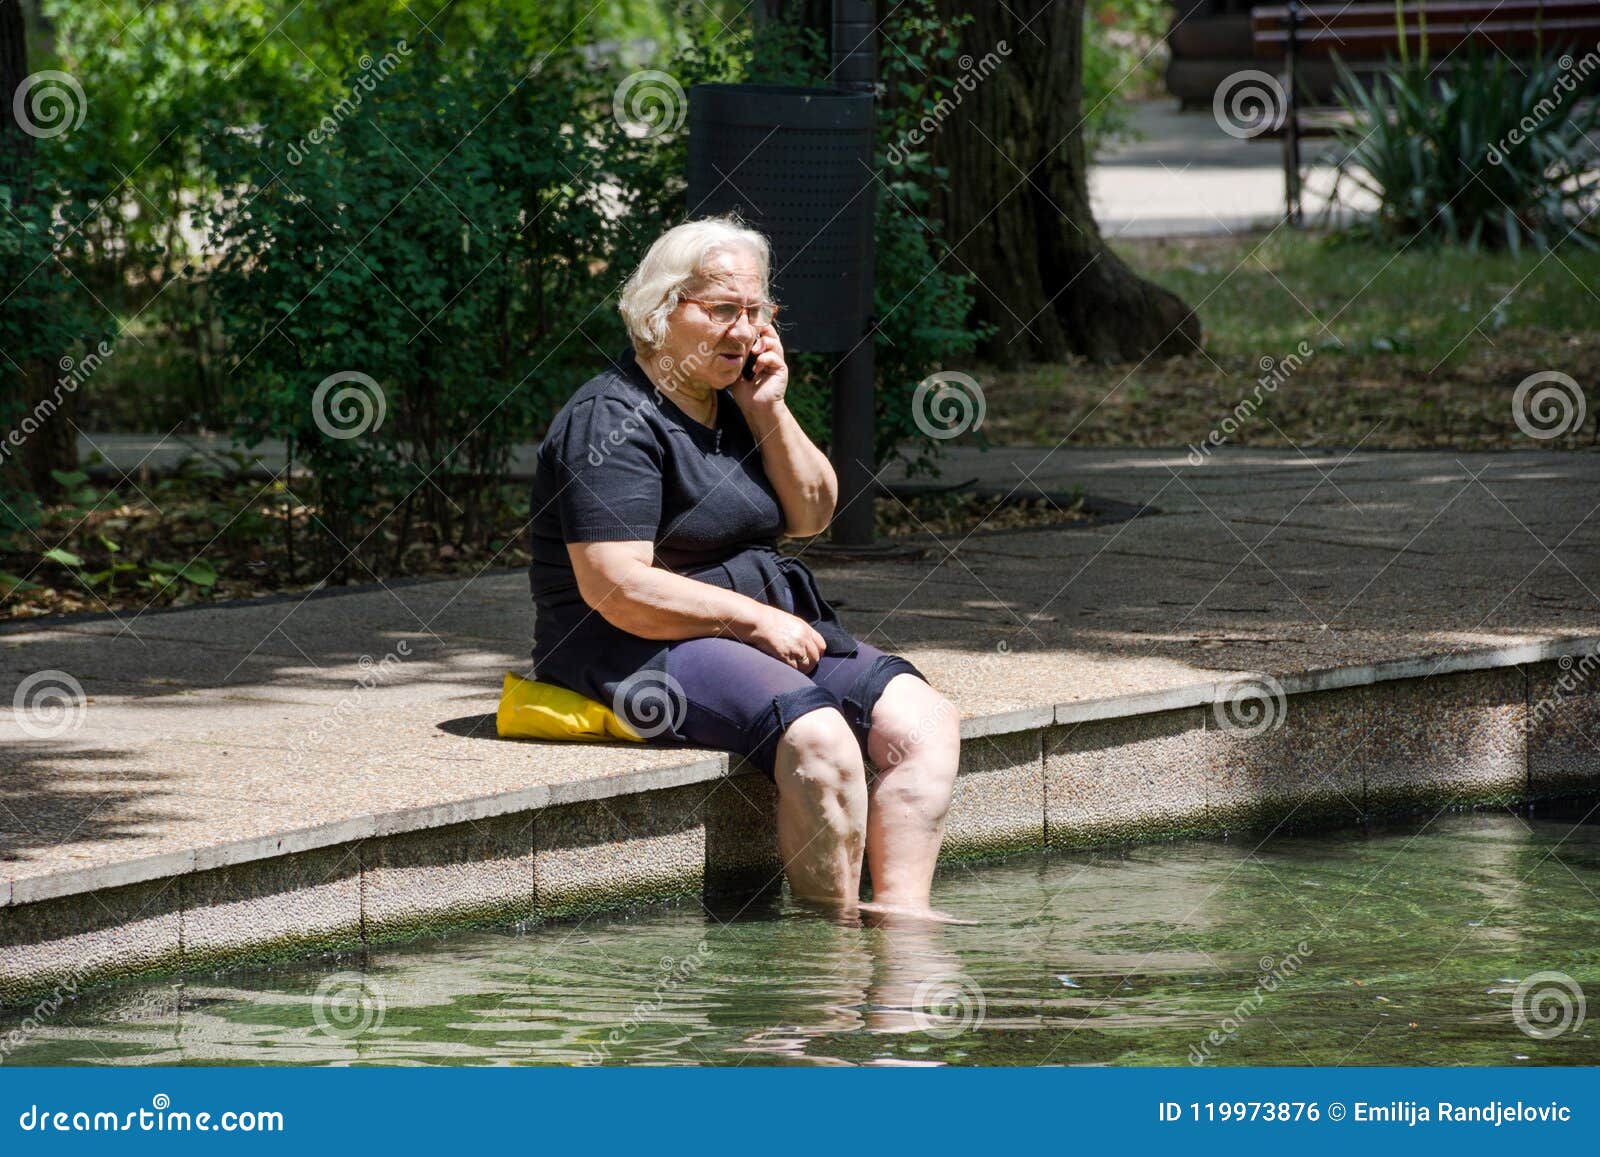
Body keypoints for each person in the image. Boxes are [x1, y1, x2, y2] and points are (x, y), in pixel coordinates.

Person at [526, 215, 961, 921]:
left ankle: (903, 930)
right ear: (659, 313)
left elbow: (813, 512)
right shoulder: (612, 418)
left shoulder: (734, 400)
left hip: (753, 629)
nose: (746, 330)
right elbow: (615, 584)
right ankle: (832, 949)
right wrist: (753, 617)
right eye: (724, 309)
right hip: (631, 644)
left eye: (757, 310)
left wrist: (768, 410)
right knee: (821, 740)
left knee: (927, 723)